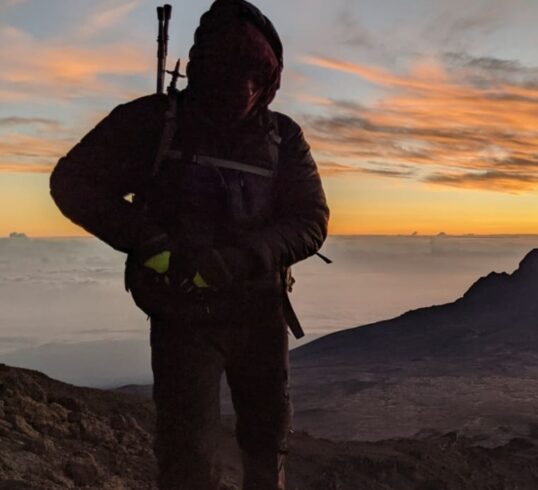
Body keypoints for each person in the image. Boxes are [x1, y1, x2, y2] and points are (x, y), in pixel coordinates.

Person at [49, 1, 330, 488]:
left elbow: (310, 220)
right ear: (203, 66)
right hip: (184, 318)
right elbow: (72, 182)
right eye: (229, 69)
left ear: (270, 78)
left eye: (254, 74)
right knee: (189, 455)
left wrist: (240, 257)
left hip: (260, 314)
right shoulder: (154, 123)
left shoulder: (282, 137)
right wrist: (149, 241)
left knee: (265, 444)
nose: (242, 87)